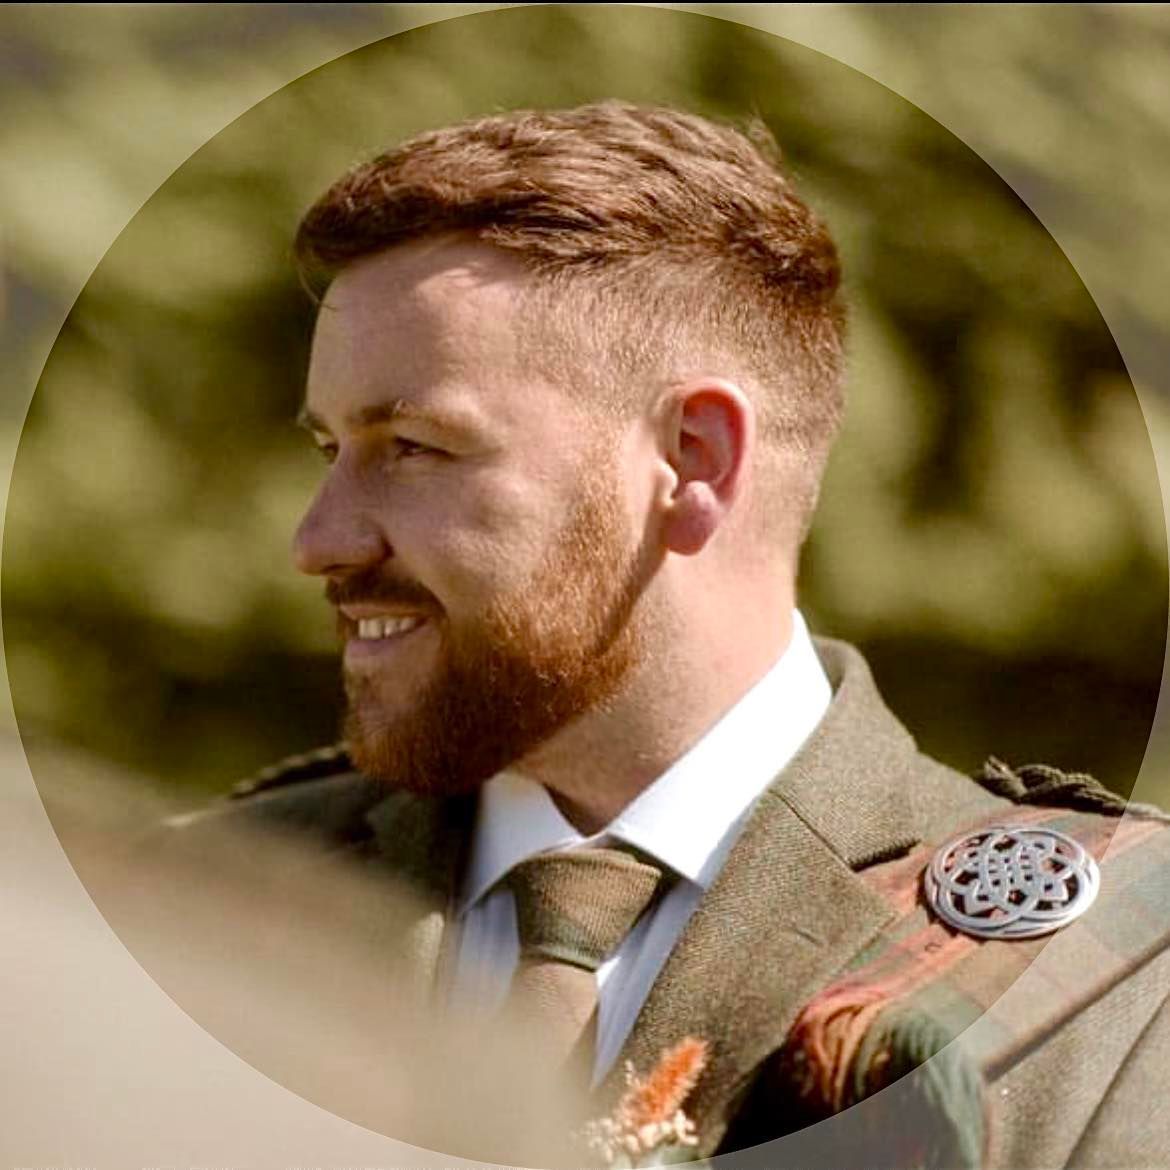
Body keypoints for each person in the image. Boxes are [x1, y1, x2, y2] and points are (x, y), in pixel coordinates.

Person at [171, 102, 1170, 1168]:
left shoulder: (1117, 999)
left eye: (412, 446)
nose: (318, 540)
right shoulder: (191, 906)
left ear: (694, 459)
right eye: (330, 449)